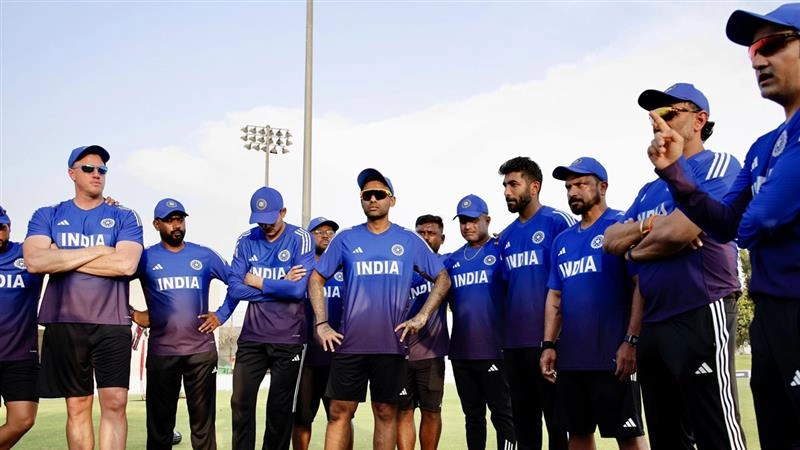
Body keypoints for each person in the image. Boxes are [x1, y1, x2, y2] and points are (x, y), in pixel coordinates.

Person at [648, 4, 800, 447]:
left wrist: (750, 222)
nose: (757, 59)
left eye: (772, 44)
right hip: (770, 313)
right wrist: (674, 174)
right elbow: (724, 225)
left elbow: (754, 222)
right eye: (753, 50)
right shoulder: (763, 147)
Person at [603, 84, 745, 449]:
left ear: (700, 120)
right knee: (667, 438)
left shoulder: (716, 165)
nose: (657, 121)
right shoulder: (648, 191)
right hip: (654, 323)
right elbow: (610, 240)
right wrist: (651, 226)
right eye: (653, 116)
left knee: (716, 430)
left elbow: (681, 232)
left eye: (669, 112)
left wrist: (635, 249)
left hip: (701, 308)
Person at [309, 168, 451, 450]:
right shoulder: (346, 239)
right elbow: (316, 278)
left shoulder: (409, 240)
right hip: (349, 344)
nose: (373, 199)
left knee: (386, 413)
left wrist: (422, 316)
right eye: (367, 195)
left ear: (391, 200)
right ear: (361, 200)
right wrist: (321, 324)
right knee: (339, 412)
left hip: (391, 345)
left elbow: (442, 278)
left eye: (379, 194)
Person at [23, 145, 143, 450]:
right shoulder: (47, 214)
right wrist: (100, 251)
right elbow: (34, 262)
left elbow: (126, 264)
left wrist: (60, 257)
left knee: (115, 403)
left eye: (102, 169)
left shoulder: (124, 215)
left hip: (112, 322)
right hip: (65, 321)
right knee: (77, 405)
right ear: (71, 173)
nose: (96, 174)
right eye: (88, 168)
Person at [539, 158, 647, 450]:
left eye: (581, 184)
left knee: (628, 435)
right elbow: (555, 297)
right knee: (578, 434)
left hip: (614, 356)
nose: (573, 191)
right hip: (572, 358)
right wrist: (548, 345)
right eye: (568, 187)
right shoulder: (562, 241)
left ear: (603, 186)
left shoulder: (622, 225)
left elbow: (642, 286)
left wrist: (631, 341)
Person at [213, 186, 314, 450]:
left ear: (283, 212)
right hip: (252, 338)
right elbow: (235, 288)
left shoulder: (300, 238)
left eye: (270, 219)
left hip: (289, 338)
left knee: (279, 409)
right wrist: (280, 284)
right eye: (260, 220)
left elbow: (297, 291)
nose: (265, 226)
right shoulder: (246, 240)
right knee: (240, 402)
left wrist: (259, 282)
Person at [136, 198, 229, 450]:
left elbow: (236, 282)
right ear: (157, 224)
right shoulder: (145, 257)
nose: (176, 225)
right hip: (162, 353)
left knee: (203, 426)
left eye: (180, 219)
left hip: (200, 353)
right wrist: (132, 313)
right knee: (160, 427)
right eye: (169, 220)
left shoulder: (204, 255)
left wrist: (221, 314)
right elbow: (114, 283)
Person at [497, 156, 572, 450]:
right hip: (515, 346)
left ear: (534, 186)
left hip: (550, 344)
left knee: (559, 425)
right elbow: (507, 289)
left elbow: (569, 283)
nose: (507, 191)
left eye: (513, 184)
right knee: (525, 427)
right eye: (505, 185)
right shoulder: (506, 237)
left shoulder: (558, 222)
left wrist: (554, 339)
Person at [446, 194, 516, 450]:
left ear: (487, 220)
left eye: (473, 220)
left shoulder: (501, 250)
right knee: (473, 417)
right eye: (463, 221)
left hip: (495, 351)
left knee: (503, 415)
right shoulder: (452, 260)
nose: (468, 226)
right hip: (461, 353)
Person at [292, 217, 352, 450]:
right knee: (302, 418)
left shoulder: (345, 269)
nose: (326, 235)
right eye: (319, 231)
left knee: (342, 416)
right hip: (306, 356)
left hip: (339, 356)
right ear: (308, 237)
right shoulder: (299, 270)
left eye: (330, 232)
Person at [397, 214, 449, 450]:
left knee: (431, 411)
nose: (426, 237)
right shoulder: (401, 266)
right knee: (403, 412)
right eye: (421, 233)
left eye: (431, 233)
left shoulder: (448, 264)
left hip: (432, 354)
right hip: (399, 353)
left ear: (442, 238)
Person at [0, 206, 44, 448]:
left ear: (9, 228)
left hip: (20, 356)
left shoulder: (27, 253)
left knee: (23, 420)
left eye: (1, 227)